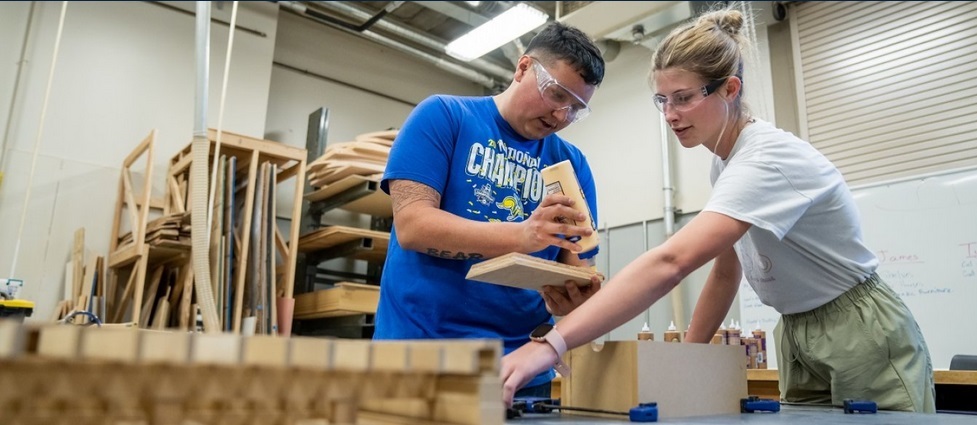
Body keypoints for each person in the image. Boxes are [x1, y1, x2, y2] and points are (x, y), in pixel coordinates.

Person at [500, 8, 936, 413]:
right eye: (662, 100)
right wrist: (683, 362)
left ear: (730, 88)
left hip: (858, 326)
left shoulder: (765, 158)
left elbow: (672, 261)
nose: (670, 115)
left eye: (684, 98)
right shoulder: (724, 164)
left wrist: (550, 344)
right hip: (797, 330)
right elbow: (726, 273)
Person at [374, 22, 607, 398]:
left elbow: (578, 264)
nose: (561, 115)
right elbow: (413, 225)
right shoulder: (443, 116)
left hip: (521, 370)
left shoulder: (572, 164)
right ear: (523, 68)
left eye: (575, 108)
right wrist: (523, 235)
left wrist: (577, 296)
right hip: (420, 357)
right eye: (556, 94)